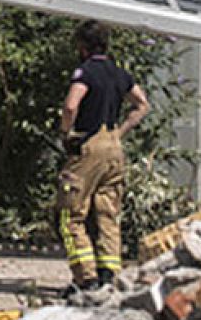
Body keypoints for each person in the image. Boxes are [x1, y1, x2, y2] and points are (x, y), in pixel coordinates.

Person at [56, 20, 150, 292]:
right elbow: (142, 105)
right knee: (107, 213)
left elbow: (71, 105)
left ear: (83, 47)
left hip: (89, 145)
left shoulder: (85, 72)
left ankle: (86, 278)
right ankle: (110, 274)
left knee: (70, 214)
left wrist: (66, 133)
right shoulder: (120, 74)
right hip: (114, 147)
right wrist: (120, 131)